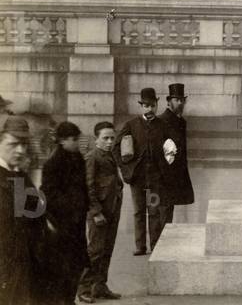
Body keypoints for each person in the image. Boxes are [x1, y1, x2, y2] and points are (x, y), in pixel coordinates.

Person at [114, 87, 169, 255]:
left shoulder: (162, 126)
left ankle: (154, 245)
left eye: (152, 105)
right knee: (138, 211)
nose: (150, 109)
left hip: (155, 179)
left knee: (153, 211)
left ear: (156, 105)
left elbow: (170, 148)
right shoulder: (131, 125)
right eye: (146, 106)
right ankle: (140, 246)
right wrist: (125, 169)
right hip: (137, 178)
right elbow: (116, 147)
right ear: (141, 106)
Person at [40, 120, 89, 305]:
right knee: (65, 265)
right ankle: (64, 300)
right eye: (73, 139)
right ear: (62, 141)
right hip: (62, 224)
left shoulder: (78, 159)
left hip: (77, 222)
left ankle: (69, 298)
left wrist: (84, 206)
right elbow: (48, 193)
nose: (77, 142)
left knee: (78, 264)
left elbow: (83, 187)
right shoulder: (52, 163)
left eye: (78, 138)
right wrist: (70, 206)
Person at [0, 116, 45, 305]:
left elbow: (35, 215)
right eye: (14, 144)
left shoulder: (19, 176)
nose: (20, 150)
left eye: (24, 144)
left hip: (22, 266)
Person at [77, 122, 123, 302]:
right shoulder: (92, 157)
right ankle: (84, 289)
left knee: (107, 250)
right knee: (95, 251)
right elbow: (87, 186)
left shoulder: (109, 155)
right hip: (99, 212)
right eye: (105, 138)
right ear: (96, 139)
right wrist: (95, 212)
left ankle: (100, 286)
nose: (110, 142)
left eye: (112, 138)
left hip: (112, 209)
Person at [159, 83, 194, 223]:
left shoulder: (181, 122)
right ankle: (159, 243)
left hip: (176, 173)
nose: (180, 103)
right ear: (168, 102)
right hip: (164, 175)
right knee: (163, 212)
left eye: (182, 100)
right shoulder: (161, 121)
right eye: (176, 100)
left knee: (169, 212)